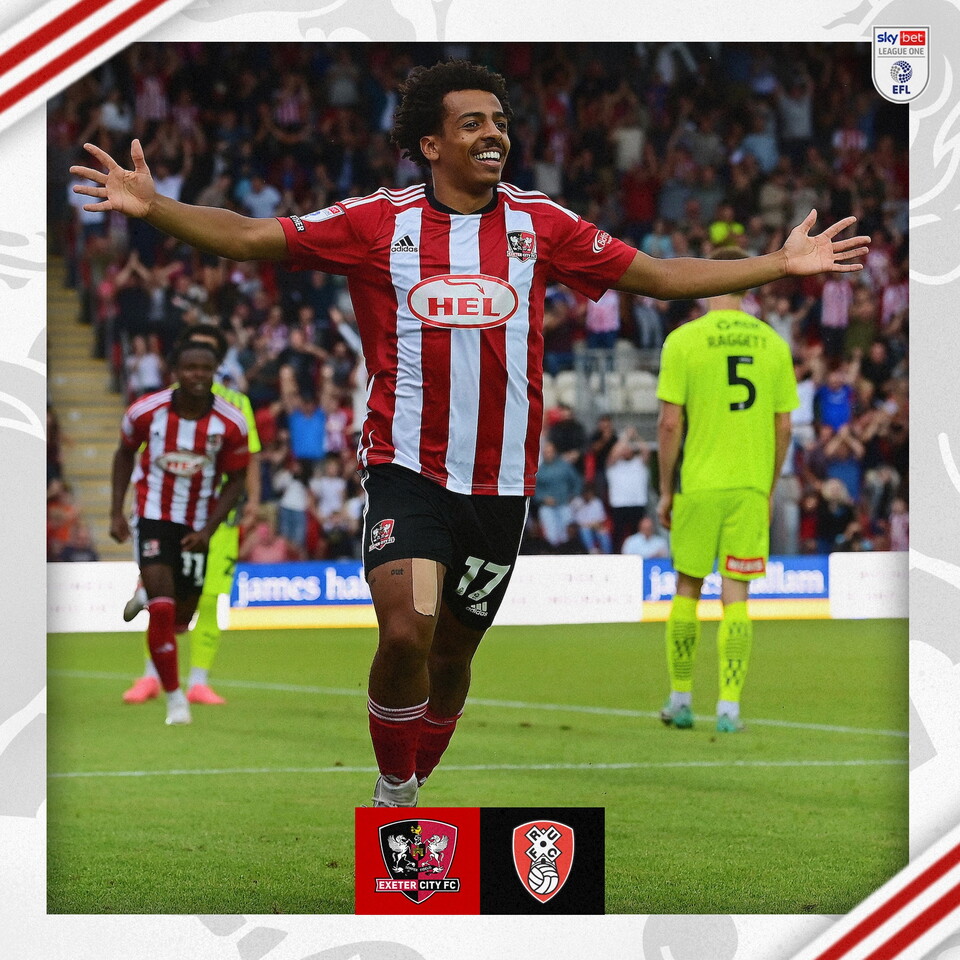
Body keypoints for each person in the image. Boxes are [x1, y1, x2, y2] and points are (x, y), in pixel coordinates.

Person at [73, 58, 868, 802]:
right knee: (405, 632)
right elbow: (254, 237)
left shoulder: (541, 224)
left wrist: (777, 264)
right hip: (407, 468)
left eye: (501, 121)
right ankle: (392, 798)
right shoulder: (376, 223)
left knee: (451, 657)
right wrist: (156, 208)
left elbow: (658, 278)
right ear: (429, 143)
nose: (494, 134)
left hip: (502, 486)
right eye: (472, 123)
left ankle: (414, 787)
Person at [655, 247, 800, 734]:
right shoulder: (773, 344)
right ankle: (729, 709)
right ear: (747, 283)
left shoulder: (683, 340)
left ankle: (679, 701)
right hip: (749, 489)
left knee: (687, 588)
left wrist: (665, 489)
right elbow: (785, 428)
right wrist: (768, 485)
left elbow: (670, 422)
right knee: (737, 596)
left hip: (698, 484)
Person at [109, 339, 250, 725]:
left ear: (216, 372)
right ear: (175, 372)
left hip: (197, 524)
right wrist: (116, 512)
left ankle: (144, 591)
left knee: (181, 620)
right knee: (164, 605)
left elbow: (237, 479)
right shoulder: (146, 412)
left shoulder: (230, 422)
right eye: (190, 368)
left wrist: (208, 528)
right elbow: (124, 453)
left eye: (206, 369)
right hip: (152, 515)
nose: (198, 376)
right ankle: (175, 700)